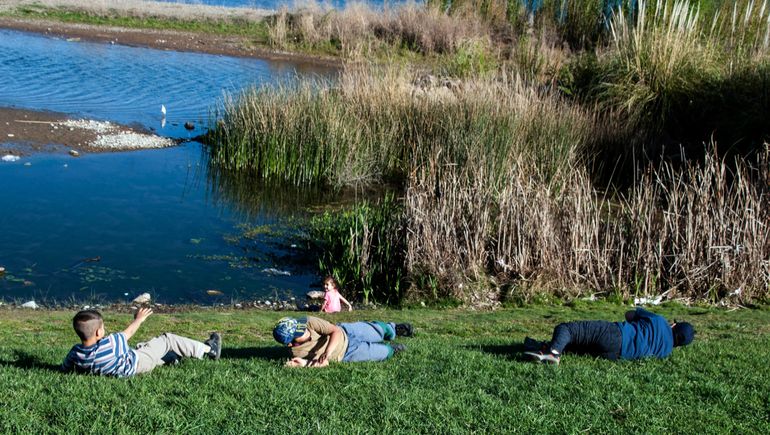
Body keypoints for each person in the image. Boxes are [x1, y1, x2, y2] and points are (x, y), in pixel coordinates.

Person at [61, 308, 222, 377]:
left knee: (143, 347)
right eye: (103, 327)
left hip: (126, 364)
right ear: (98, 332)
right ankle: (208, 349)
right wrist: (139, 319)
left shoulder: (76, 353)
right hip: (136, 365)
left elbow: (65, 367)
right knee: (167, 339)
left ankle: (171, 359)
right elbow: (128, 333)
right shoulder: (109, 344)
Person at [524, 307, 695, 365]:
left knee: (569, 329)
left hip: (617, 334)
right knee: (578, 344)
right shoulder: (666, 352)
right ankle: (540, 347)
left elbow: (629, 314)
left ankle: (553, 353)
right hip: (615, 355)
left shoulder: (660, 321)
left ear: (675, 325)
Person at [273, 316, 414, 367]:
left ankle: (394, 328)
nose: (304, 330)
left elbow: (335, 330)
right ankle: (391, 349)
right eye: (299, 333)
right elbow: (323, 364)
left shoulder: (308, 322)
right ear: (291, 343)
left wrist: (327, 352)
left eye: (300, 326)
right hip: (346, 354)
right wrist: (303, 364)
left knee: (378, 330)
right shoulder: (297, 351)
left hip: (347, 331)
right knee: (382, 352)